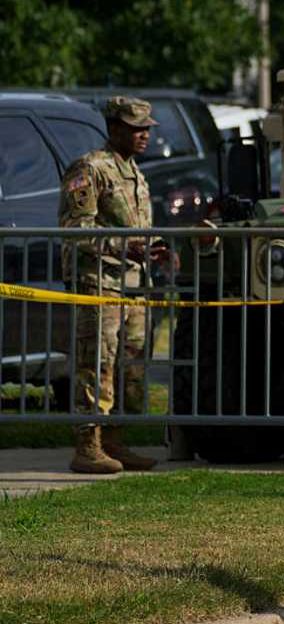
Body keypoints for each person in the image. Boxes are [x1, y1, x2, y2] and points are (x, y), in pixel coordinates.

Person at [59, 96, 170, 474]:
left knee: (132, 368)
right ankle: (87, 446)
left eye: (146, 129)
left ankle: (116, 442)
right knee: (98, 363)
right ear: (115, 128)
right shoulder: (90, 169)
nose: (144, 135)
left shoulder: (135, 173)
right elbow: (76, 230)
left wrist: (155, 251)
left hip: (134, 286)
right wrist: (125, 245)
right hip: (98, 283)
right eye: (136, 128)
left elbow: (138, 231)